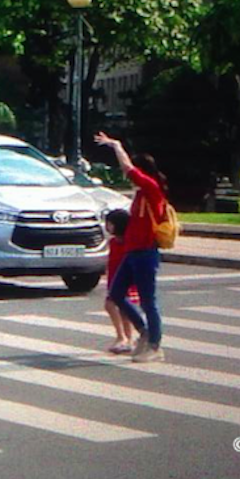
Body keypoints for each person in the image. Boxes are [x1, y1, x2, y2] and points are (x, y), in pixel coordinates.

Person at [94, 131, 168, 363]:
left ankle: (154, 345)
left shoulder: (152, 188)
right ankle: (144, 332)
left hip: (146, 253)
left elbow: (127, 168)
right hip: (132, 252)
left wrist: (116, 146)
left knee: (148, 301)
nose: (130, 177)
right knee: (116, 294)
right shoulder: (140, 195)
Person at [104, 209, 140, 354]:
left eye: (109, 224)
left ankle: (123, 337)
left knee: (114, 306)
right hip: (114, 280)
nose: (107, 226)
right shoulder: (113, 242)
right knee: (123, 310)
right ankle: (127, 339)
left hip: (126, 281)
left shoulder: (128, 243)